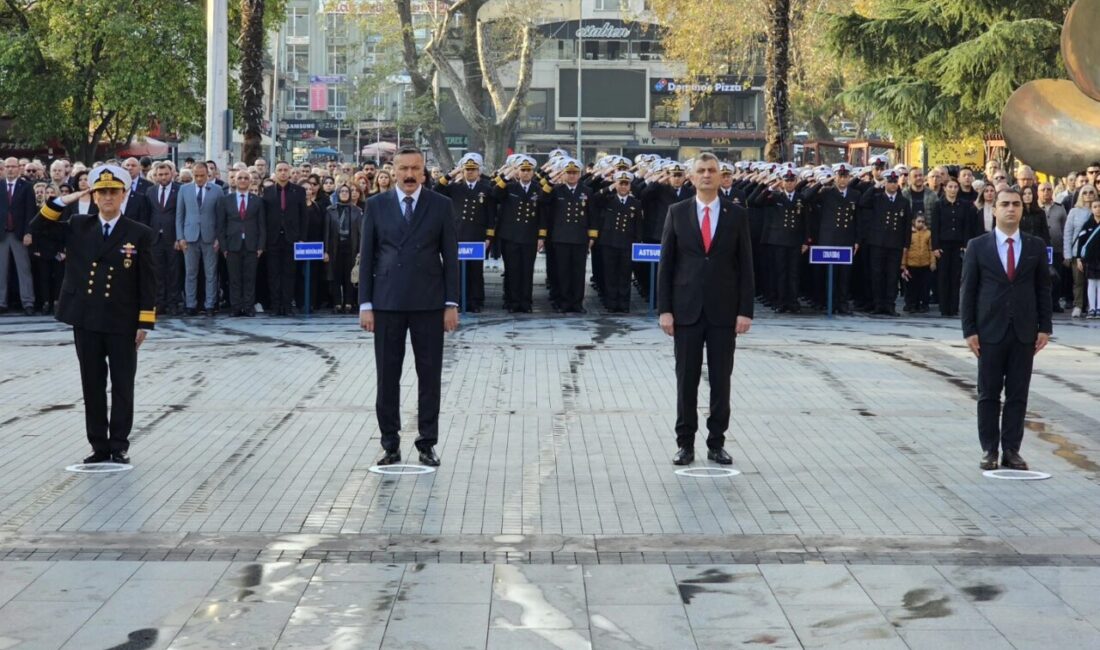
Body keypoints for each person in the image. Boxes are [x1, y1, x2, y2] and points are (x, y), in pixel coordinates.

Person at [35, 165, 157, 465]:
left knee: (122, 383)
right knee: (92, 383)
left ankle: (119, 444)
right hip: (86, 316)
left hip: (122, 318)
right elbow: (38, 229)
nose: (107, 198)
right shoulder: (78, 224)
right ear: (94, 194)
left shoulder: (139, 233)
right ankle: (98, 445)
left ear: (123, 194)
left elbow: (149, 280)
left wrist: (145, 322)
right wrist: (67, 199)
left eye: (113, 192)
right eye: (101, 192)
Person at [359, 147, 459, 467]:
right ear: (394, 169)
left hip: (429, 303)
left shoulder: (441, 205)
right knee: (387, 376)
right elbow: (367, 258)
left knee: (429, 375)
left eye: (415, 168)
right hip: (387, 303)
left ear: (424, 170)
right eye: (403, 168)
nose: (409, 174)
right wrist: (365, 304)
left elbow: (451, 259)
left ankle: (427, 442)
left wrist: (451, 303)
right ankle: (390, 443)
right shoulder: (375, 205)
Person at [657, 152, 754, 467]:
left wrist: (745, 311)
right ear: (692, 176)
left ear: (721, 176)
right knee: (686, 379)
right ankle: (685, 444)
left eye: (713, 170)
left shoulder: (736, 215)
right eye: (701, 170)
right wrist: (665, 310)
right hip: (685, 312)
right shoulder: (678, 211)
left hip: (724, 312)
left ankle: (717, 442)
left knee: (721, 380)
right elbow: (667, 265)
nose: (707, 175)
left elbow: (746, 267)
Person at [961, 188, 1052, 472]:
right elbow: (968, 290)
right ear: (995, 209)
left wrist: (1045, 327)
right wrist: (969, 330)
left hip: (1024, 331)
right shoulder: (978, 245)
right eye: (1005, 204)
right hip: (989, 331)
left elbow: (1043, 289)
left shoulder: (1035, 246)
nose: (1011, 209)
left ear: (1022, 209)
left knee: (1017, 394)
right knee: (988, 393)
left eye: (1015, 204)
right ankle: (989, 449)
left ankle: (1011, 450)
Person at [434, 154, 494, 313]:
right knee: (457, 270)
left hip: (477, 234)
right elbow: (436, 189)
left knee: (475, 271)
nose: (470, 172)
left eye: (473, 169)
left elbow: (491, 213)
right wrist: (451, 174)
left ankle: (476, 301)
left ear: (479, 171)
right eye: (467, 169)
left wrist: (489, 236)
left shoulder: (486, 188)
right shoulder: (455, 187)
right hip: (458, 234)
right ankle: (458, 300)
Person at [491, 155, 544, 313]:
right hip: (510, 236)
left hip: (529, 236)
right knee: (512, 270)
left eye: (529, 170)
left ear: (533, 172)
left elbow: (542, 213)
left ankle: (526, 302)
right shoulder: (510, 187)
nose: (526, 173)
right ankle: (513, 302)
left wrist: (541, 236)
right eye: (523, 170)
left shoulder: (538, 188)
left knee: (527, 270)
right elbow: (494, 194)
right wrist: (507, 176)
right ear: (518, 172)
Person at [175, 162, 223, 316]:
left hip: (210, 237)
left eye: (202, 175)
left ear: (208, 174)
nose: (200, 179)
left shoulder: (217, 190)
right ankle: (190, 304)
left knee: (211, 273)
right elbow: (179, 215)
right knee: (190, 272)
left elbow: (220, 217)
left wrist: (218, 238)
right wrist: (180, 237)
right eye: (196, 176)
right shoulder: (184, 189)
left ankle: (210, 305)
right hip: (190, 236)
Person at [593, 170, 644, 313]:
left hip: (627, 244)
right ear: (616, 185)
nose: (623, 187)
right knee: (610, 274)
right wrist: (610, 187)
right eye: (620, 183)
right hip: (609, 243)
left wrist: (637, 242)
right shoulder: (608, 199)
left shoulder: (636, 203)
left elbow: (639, 225)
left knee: (625, 274)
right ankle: (611, 304)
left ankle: (623, 304)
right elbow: (595, 198)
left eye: (626, 184)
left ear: (630, 186)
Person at [217, 169, 266, 317]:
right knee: (234, 278)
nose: (243, 180)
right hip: (232, 245)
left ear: (250, 181)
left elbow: (261, 225)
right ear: (235, 181)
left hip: (252, 245)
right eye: (240, 178)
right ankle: (236, 307)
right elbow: (221, 225)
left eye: (246, 178)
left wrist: (260, 246)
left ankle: (248, 307)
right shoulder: (226, 200)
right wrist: (223, 247)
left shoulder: (257, 200)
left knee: (250, 278)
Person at [262, 162, 307, 316]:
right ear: (275, 173)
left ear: (290, 172)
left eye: (285, 170)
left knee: (289, 273)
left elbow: (303, 217)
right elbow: (263, 218)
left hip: (292, 239)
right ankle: (275, 306)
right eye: (280, 170)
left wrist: (301, 238)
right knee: (273, 274)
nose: (283, 173)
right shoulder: (267, 192)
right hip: (273, 238)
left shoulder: (299, 191)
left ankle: (287, 306)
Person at [930, 177, 979, 317]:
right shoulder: (938, 205)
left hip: (958, 245)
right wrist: (935, 247)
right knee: (943, 277)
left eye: (955, 187)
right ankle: (944, 308)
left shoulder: (964, 205)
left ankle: (954, 307)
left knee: (956, 276)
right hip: (943, 245)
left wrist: (965, 244)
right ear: (945, 188)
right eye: (950, 187)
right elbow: (935, 227)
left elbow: (966, 226)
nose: (953, 190)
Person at [1, 157, 37, 315]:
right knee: (0, 271)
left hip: (19, 233)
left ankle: (28, 302)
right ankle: (1, 302)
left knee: (24, 270)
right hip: (1, 234)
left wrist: (29, 232)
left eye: (13, 166)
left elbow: (31, 211)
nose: (10, 169)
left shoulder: (27, 187)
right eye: (7, 166)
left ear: (18, 169)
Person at [146, 162, 181, 316]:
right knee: (157, 272)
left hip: (173, 236)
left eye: (166, 174)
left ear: (171, 174)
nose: (163, 177)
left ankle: (173, 303)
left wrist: (180, 237)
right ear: (156, 176)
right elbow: (148, 213)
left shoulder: (180, 190)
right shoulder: (150, 191)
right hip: (155, 237)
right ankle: (159, 303)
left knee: (173, 272)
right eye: (160, 175)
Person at [323, 184, 361, 314]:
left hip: (351, 247)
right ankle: (337, 303)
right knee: (335, 275)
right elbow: (326, 232)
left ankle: (349, 302)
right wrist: (325, 250)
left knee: (350, 276)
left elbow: (361, 232)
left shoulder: (357, 210)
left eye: (347, 191)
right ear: (338, 193)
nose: (344, 193)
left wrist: (361, 250)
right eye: (342, 191)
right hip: (335, 247)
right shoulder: (330, 210)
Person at [1064, 185, 1096, 318]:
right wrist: (1068, 254)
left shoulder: (1097, 209)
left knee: (1093, 281)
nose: (1088, 195)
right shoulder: (1074, 212)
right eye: (1085, 193)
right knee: (1078, 281)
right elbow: (1068, 233)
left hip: (1095, 253)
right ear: (1081, 195)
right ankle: (1078, 305)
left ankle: (1092, 306)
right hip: (1077, 252)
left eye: (1091, 192)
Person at [1038, 182, 1069, 313]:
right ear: (1038, 192)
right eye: (1043, 189)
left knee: (1056, 276)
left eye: (1049, 189)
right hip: (1039, 249)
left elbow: (1065, 228)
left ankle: (1055, 302)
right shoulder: (1035, 208)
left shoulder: (1060, 208)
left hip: (1056, 249)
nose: (1046, 192)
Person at [1072, 198, 1100, 318]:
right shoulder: (1088, 224)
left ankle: (1099, 308)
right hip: (1090, 259)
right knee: (1091, 283)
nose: (1098, 209)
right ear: (1091, 209)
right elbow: (1081, 241)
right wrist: (1079, 258)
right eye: (1095, 207)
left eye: (1099, 206)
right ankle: (1091, 308)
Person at [903, 215, 934, 313]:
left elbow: (931, 249)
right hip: (911, 264)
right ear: (913, 222)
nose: (921, 223)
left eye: (923, 221)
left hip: (925, 264)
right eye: (919, 221)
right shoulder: (908, 233)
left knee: (924, 287)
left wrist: (933, 262)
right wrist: (903, 265)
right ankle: (911, 304)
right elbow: (905, 249)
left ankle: (924, 305)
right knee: (911, 287)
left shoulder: (928, 233)